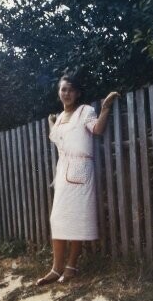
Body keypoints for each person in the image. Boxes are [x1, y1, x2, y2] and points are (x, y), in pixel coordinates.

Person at [37, 74, 119, 285]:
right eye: (64, 89)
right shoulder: (59, 119)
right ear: (59, 92)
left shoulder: (85, 111)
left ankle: (71, 266)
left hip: (81, 170)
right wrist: (52, 126)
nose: (67, 93)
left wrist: (106, 107)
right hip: (63, 172)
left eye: (71, 90)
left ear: (78, 93)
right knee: (58, 219)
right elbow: (59, 143)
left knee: (77, 219)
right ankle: (56, 269)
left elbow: (97, 129)